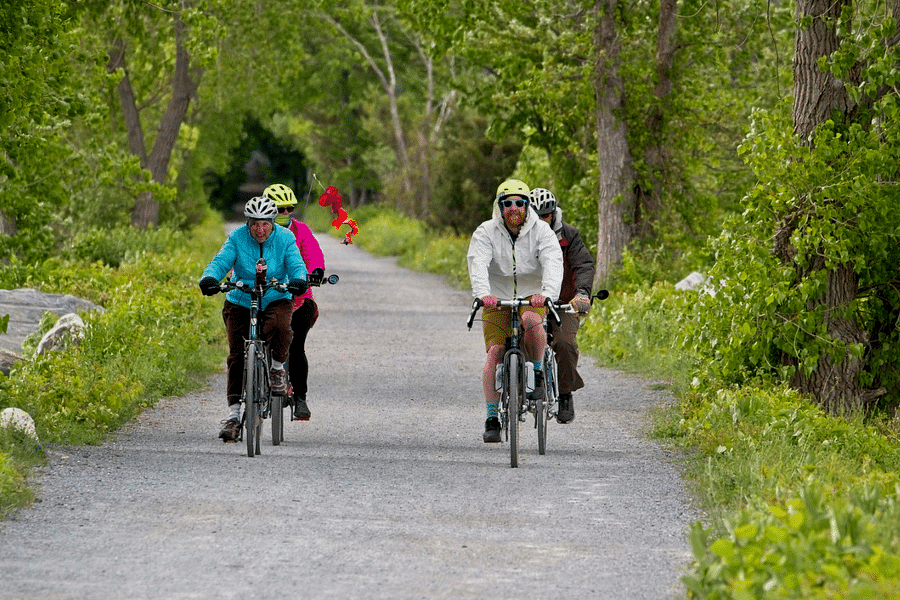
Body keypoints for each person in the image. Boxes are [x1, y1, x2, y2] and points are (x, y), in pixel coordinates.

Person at [199, 196, 308, 442]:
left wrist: (298, 280)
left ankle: (277, 370)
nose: (260, 230)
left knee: (281, 327)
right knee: (237, 356)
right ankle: (234, 416)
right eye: (255, 224)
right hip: (241, 298)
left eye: (265, 224)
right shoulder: (237, 238)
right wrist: (210, 278)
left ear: (272, 222)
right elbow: (220, 262)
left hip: (275, 296)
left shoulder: (285, 238)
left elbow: (296, 264)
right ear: (248, 223)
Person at [467, 179, 563, 443]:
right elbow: (478, 262)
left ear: (526, 206)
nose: (513, 208)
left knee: (532, 321)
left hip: (532, 295)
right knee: (496, 352)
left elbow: (553, 262)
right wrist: (482, 294)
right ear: (499, 206)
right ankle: (491, 417)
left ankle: (537, 371)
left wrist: (547, 295)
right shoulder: (485, 231)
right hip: (496, 297)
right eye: (507, 203)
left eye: (519, 203)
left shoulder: (541, 231)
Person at [529, 188, 595, 423]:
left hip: (563, 302)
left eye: (546, 216)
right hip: (531, 301)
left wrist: (582, 294)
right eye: (537, 217)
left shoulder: (569, 235)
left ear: (553, 213)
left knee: (565, 344)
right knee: (519, 337)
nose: (542, 221)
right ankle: (522, 381)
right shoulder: (521, 235)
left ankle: (565, 393)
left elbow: (584, 265)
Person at [263, 183, 325, 421]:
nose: (284, 213)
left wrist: (317, 270)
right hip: (266, 296)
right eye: (279, 209)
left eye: (289, 209)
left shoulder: (301, 231)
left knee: (296, 346)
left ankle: (300, 398)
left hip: (299, 299)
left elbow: (313, 254)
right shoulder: (256, 231)